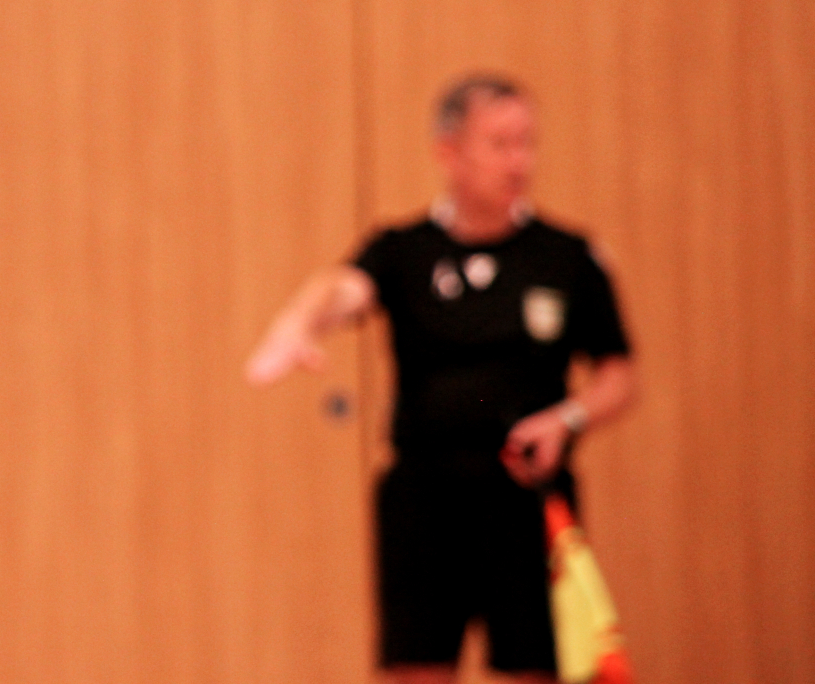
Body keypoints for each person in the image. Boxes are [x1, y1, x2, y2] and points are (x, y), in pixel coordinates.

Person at [246, 74, 637, 684]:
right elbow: (343, 288)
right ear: (449, 151)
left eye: (526, 143)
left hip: (524, 498)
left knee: (536, 667)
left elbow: (618, 374)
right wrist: (297, 320)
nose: (519, 161)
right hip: (426, 500)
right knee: (416, 668)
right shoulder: (403, 251)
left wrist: (568, 419)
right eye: (499, 144)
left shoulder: (566, 256)